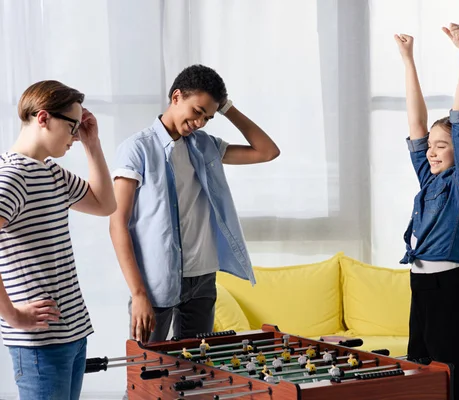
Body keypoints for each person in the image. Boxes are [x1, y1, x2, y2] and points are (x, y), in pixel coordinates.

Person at [110, 64, 280, 345]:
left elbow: (267, 151)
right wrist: (138, 294)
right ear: (176, 97)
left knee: (197, 373)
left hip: (201, 277)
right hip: (155, 280)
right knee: (146, 374)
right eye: (197, 111)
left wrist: (227, 108)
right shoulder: (137, 149)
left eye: (209, 117)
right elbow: (118, 225)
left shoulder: (205, 146)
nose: (200, 122)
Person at [395, 23, 459, 400]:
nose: (432, 152)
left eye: (442, 146)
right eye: (431, 147)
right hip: (421, 289)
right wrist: (408, 61)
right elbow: (417, 125)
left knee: (457, 388)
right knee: (421, 382)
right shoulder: (430, 181)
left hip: (451, 293)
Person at [0, 80, 116, 400]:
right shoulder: (12, 176)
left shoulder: (51, 173)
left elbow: (106, 205)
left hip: (73, 334)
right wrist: (11, 314)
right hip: (39, 343)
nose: (75, 136)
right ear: (43, 118)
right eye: (72, 126)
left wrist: (93, 144)